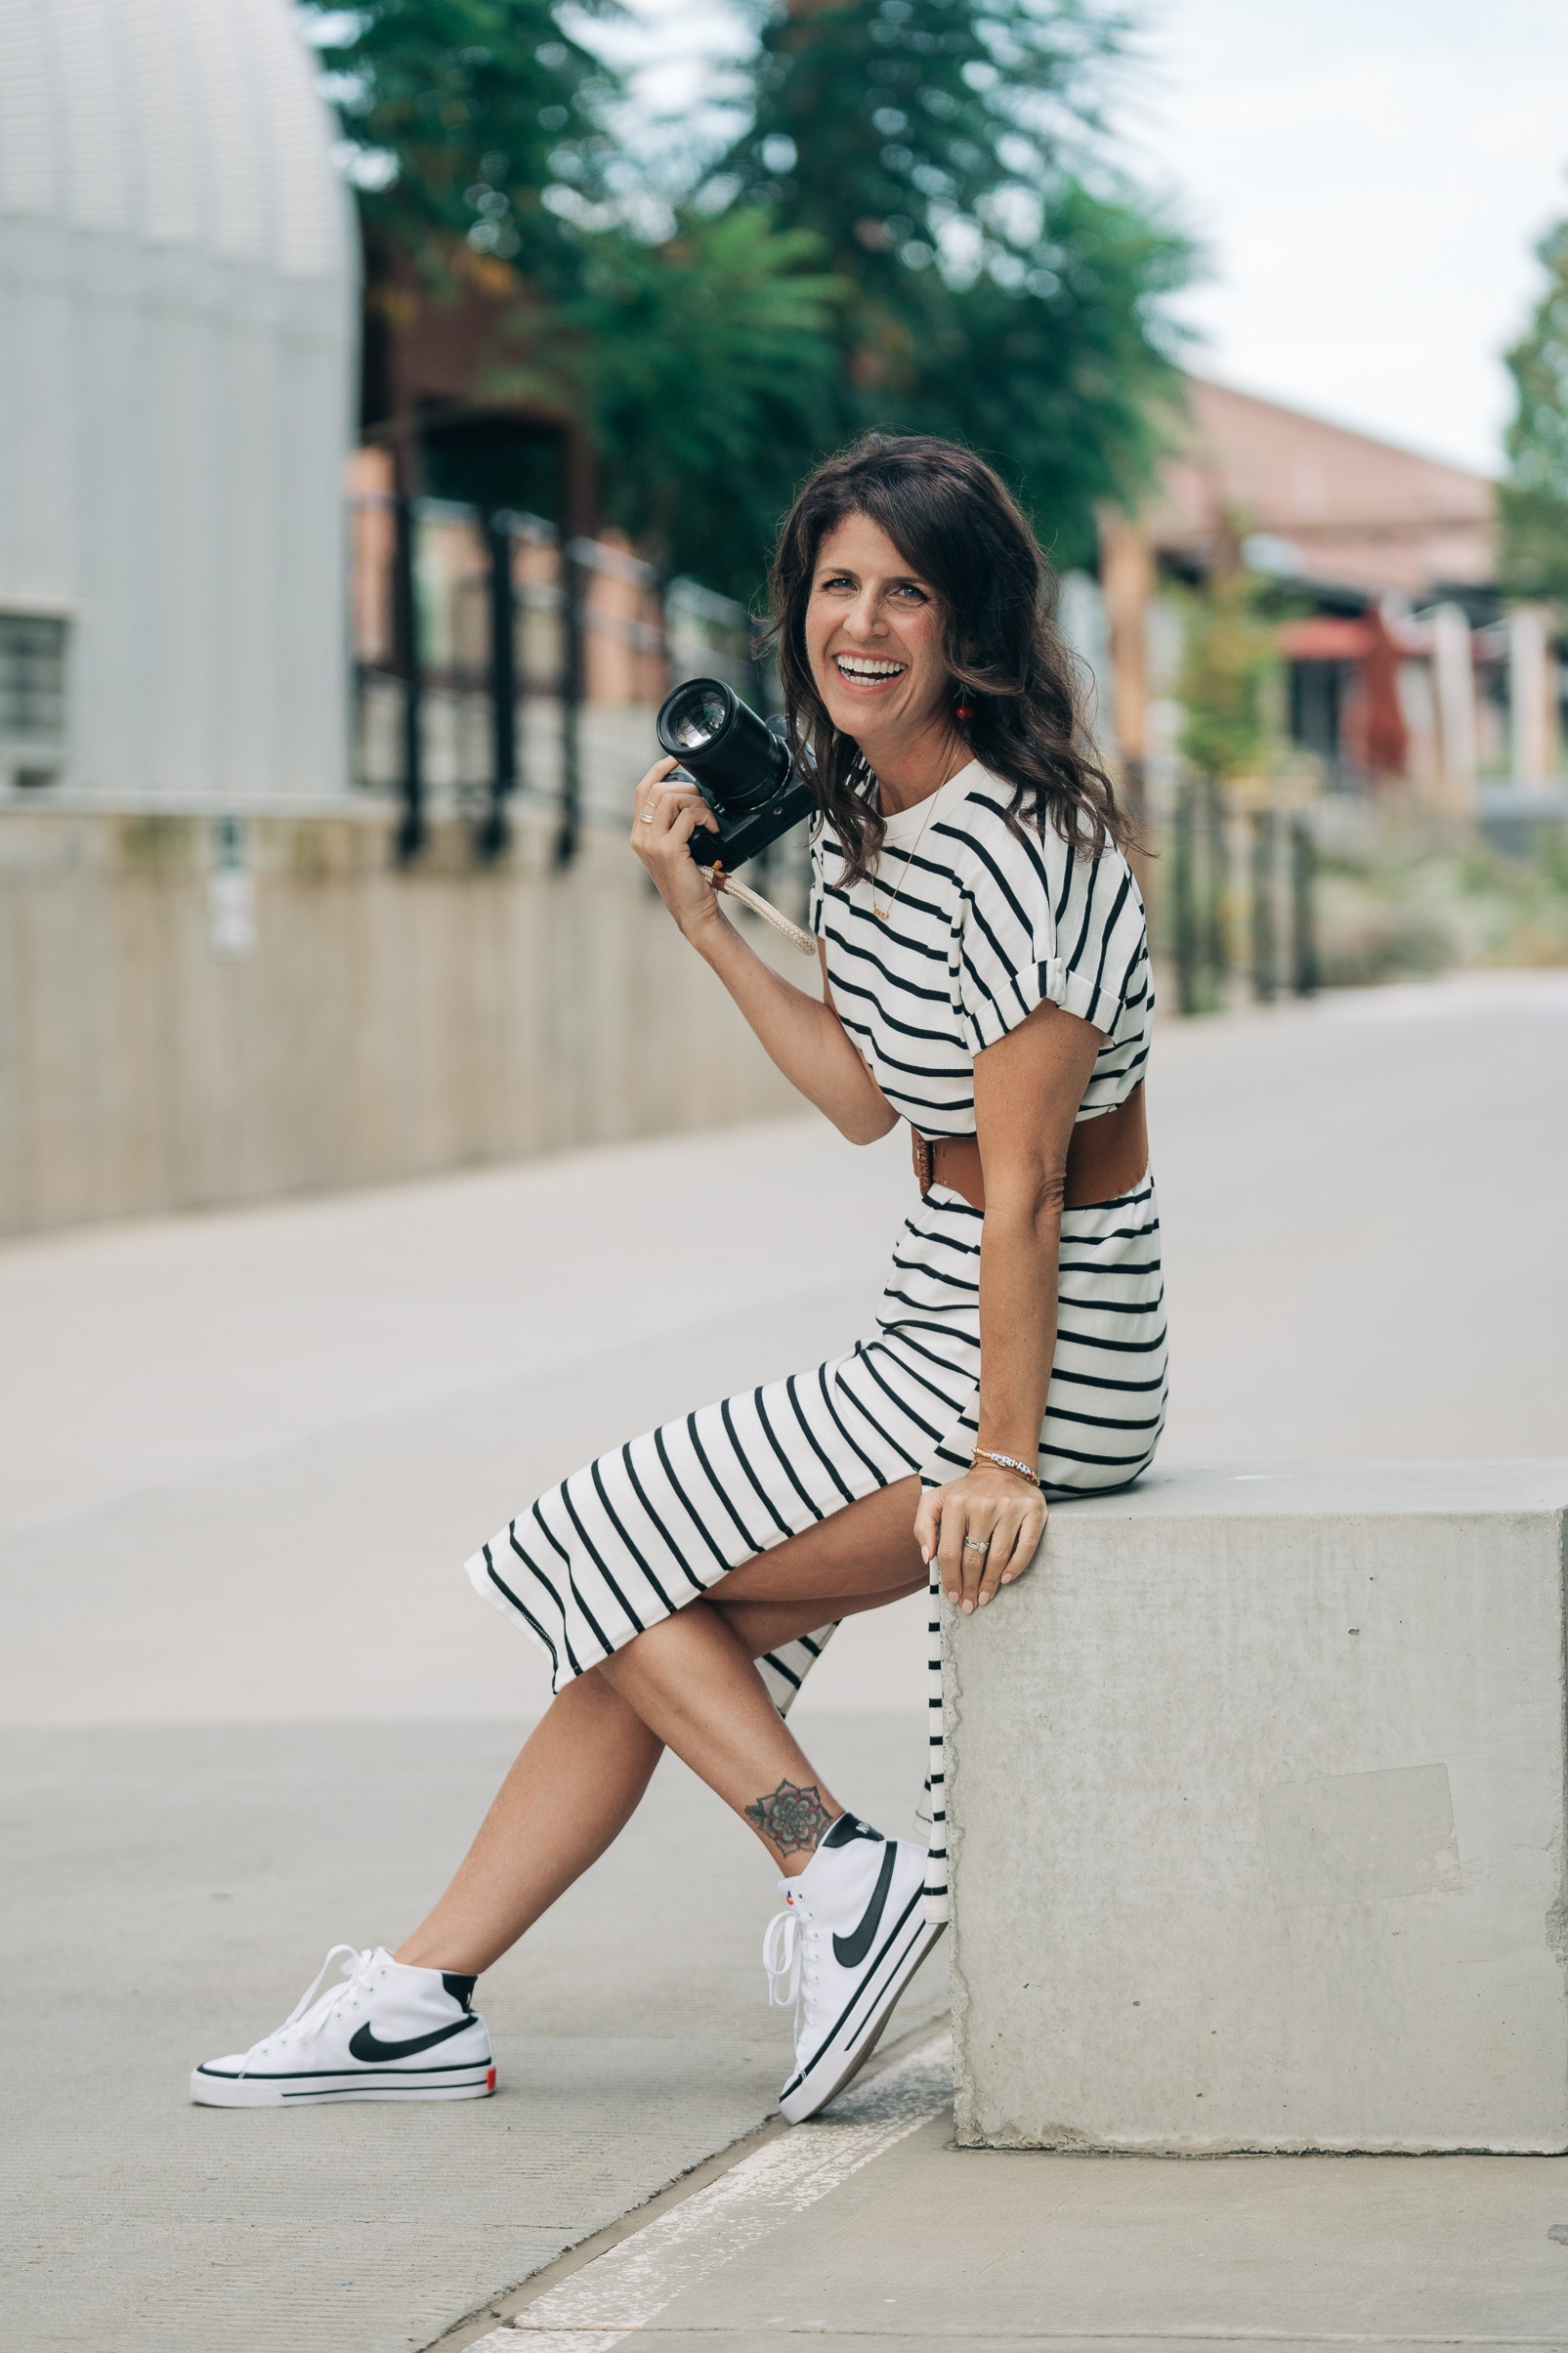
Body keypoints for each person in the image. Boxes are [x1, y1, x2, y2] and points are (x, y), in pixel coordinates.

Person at [191, 434, 1165, 2122]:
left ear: (972, 622)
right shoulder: (878, 830)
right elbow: (871, 1103)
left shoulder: (1019, 845)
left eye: (906, 593)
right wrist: (710, 920)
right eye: (836, 586)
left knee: (597, 1541)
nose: (861, 625)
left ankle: (835, 1870)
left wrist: (1002, 1457)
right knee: (645, 1614)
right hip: (937, 1307)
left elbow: (1020, 1189)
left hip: (1037, 1345)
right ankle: (424, 1994)